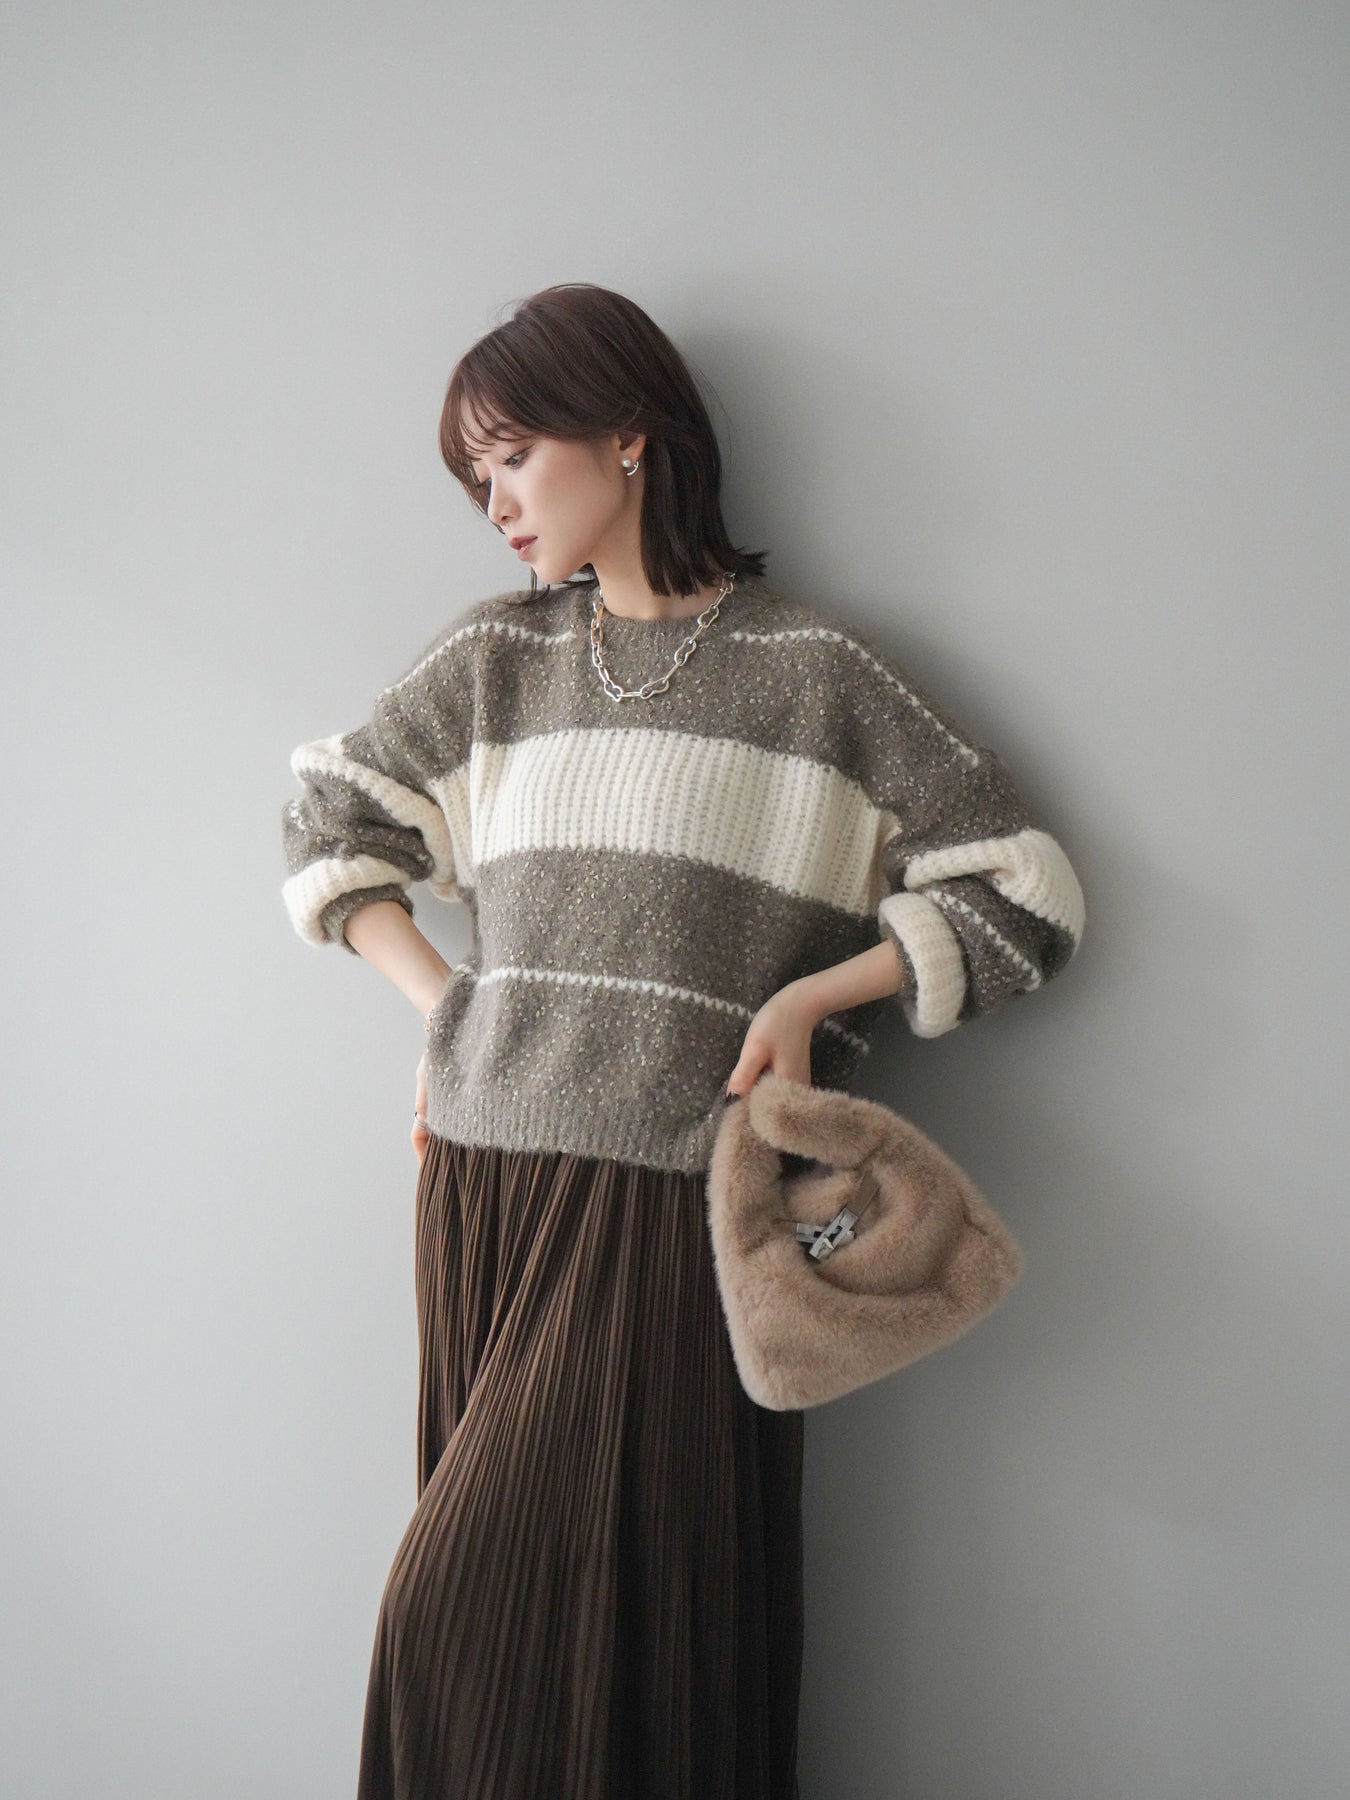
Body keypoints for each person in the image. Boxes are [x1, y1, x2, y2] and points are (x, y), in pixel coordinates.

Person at [279, 282, 1085, 1799]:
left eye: (512, 457)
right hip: (481, 1186)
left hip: (674, 1203)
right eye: (474, 477)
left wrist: (808, 1001)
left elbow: (1024, 895)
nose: (495, 504)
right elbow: (329, 819)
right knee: (498, 1652)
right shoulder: (496, 661)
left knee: (629, 1622)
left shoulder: (817, 675)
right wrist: (447, 1008)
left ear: (628, 435)